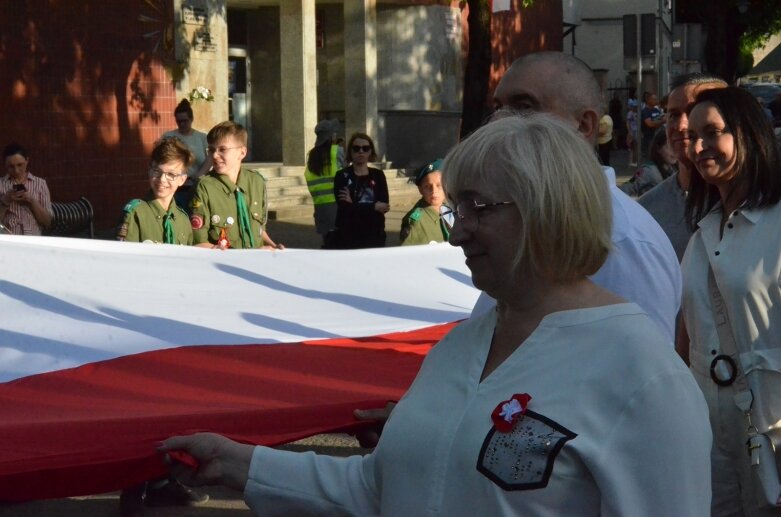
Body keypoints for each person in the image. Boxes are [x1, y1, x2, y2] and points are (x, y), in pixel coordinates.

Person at [160, 114, 712, 515]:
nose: (458, 229)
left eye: (478, 206)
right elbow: (384, 488)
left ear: (545, 209)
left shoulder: (644, 376)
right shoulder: (463, 346)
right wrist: (241, 464)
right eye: (455, 208)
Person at [483, 51, 681, 345]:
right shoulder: (536, 215)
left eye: (523, 106)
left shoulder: (622, 240)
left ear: (585, 125)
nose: (500, 121)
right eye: (498, 107)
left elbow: (641, 375)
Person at [681, 86, 781, 516]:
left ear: (748, 134)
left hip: (772, 426)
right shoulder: (702, 231)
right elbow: (685, 333)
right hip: (707, 428)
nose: (699, 146)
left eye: (712, 132)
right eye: (692, 136)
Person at [638, 73, 727, 262]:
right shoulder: (647, 211)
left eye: (696, 111)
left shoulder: (760, 204)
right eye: (673, 115)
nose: (681, 125)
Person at [189, 121, 282, 250]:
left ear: (242, 153)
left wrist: (274, 246)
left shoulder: (256, 182)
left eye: (222, 149)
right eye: (211, 150)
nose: (215, 155)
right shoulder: (205, 187)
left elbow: (259, 231)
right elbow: (198, 242)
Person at [116, 137, 194, 244]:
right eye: (157, 171)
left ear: (182, 179)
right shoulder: (136, 213)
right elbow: (125, 256)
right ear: (149, 170)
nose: (162, 179)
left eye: (171, 174)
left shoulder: (183, 220)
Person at [331, 133, 389, 249]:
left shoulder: (378, 175)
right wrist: (373, 207)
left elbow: (384, 206)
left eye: (365, 148)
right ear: (350, 152)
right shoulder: (342, 176)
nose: (361, 151)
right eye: (356, 148)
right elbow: (344, 208)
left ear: (370, 152)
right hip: (349, 237)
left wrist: (353, 205)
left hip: (374, 235)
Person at [163, 99, 211, 211]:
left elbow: (210, 159)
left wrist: (199, 175)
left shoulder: (202, 138)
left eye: (185, 121)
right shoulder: (168, 137)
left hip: (196, 186)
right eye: (179, 121)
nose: (182, 124)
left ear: (191, 119)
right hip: (175, 188)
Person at [304, 119, 345, 246]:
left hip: (320, 209)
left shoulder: (311, 155)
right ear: (332, 135)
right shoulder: (336, 151)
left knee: (328, 244)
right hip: (338, 208)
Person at [0, 142, 52, 235]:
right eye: (11, 166)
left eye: (20, 165)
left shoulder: (40, 183)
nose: (16, 170)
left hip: (33, 239)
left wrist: (32, 201)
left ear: (27, 160)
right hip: (9, 239)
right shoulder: (1, 184)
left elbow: (47, 222)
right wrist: (5, 201)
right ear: (5, 165)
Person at [399, 159, 452, 246]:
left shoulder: (448, 211)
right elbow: (407, 254)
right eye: (427, 186)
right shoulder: (416, 221)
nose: (434, 191)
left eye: (439, 185)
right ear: (420, 190)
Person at [619, 127, 677, 197]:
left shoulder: (674, 169)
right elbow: (627, 188)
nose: (674, 152)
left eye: (676, 146)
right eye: (669, 147)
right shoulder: (648, 170)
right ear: (658, 149)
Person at [640, 93, 666, 160]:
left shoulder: (656, 110)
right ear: (648, 100)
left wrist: (658, 122)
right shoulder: (645, 111)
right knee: (648, 156)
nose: (656, 101)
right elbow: (650, 124)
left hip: (657, 136)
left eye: (656, 99)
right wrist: (661, 121)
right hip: (648, 138)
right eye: (654, 99)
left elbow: (663, 118)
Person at [626, 98, 639, 167]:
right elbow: (628, 123)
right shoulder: (630, 113)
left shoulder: (638, 113)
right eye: (634, 106)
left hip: (637, 131)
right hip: (633, 131)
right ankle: (631, 161)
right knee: (632, 147)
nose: (635, 108)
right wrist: (629, 131)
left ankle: (635, 161)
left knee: (636, 147)